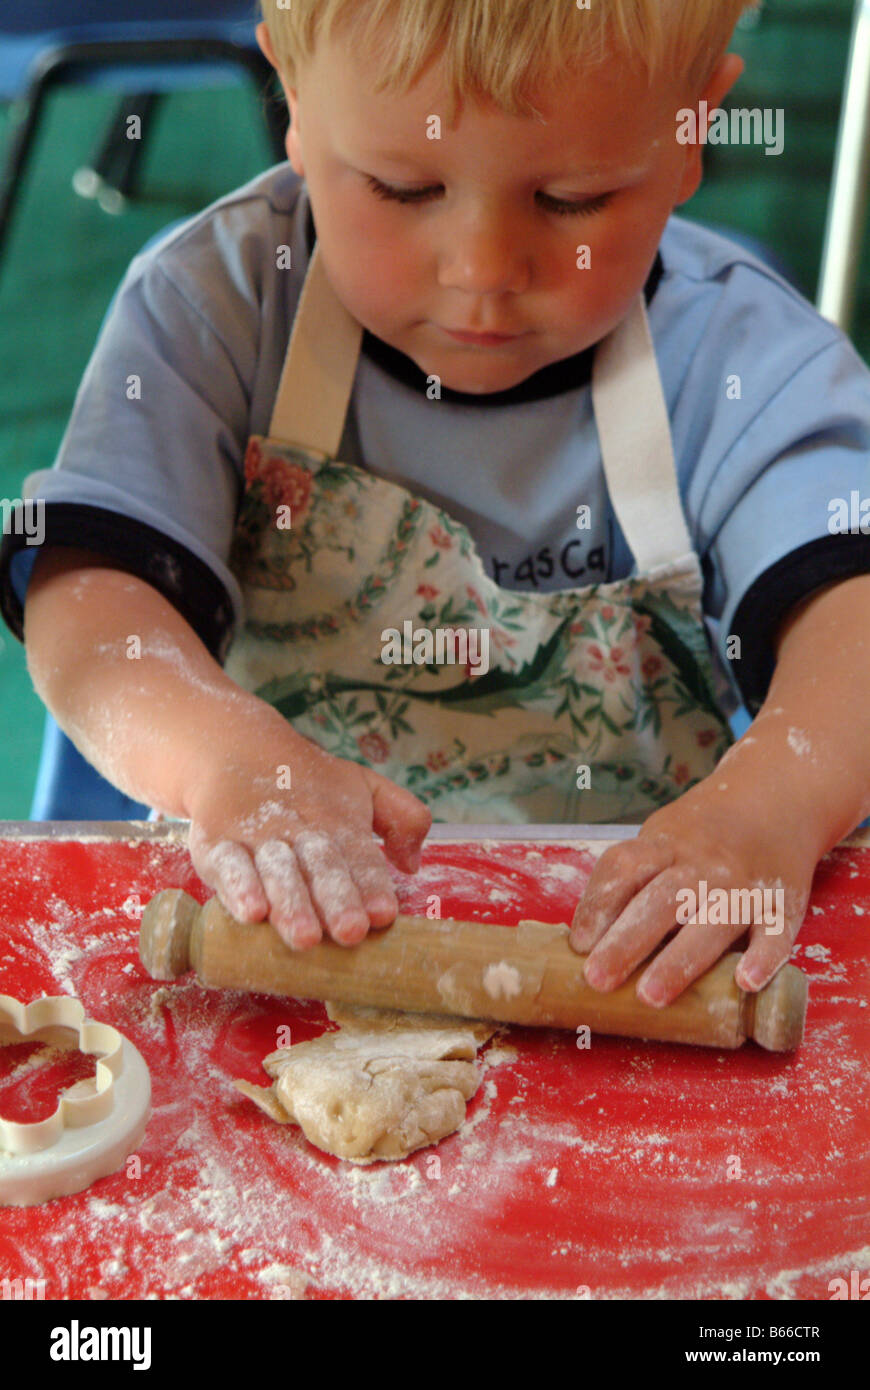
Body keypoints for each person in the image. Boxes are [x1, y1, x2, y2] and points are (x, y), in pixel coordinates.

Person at [6, 0, 870, 1009]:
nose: (484, 272)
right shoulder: (219, 308)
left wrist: (770, 806)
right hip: (278, 956)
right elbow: (92, 609)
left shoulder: (735, 356)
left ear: (694, 130)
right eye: (404, 187)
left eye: (573, 199)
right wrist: (227, 764)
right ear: (291, 92)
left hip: (623, 975)